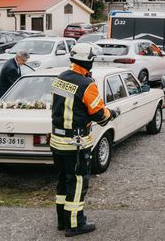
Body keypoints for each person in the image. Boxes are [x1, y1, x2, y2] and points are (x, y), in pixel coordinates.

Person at [50, 43, 118, 237]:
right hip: (76, 144)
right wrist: (111, 113)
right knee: (78, 182)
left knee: (63, 181)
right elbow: (99, 115)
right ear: (88, 61)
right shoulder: (87, 84)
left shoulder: (60, 78)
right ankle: (75, 225)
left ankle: (62, 221)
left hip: (57, 141)